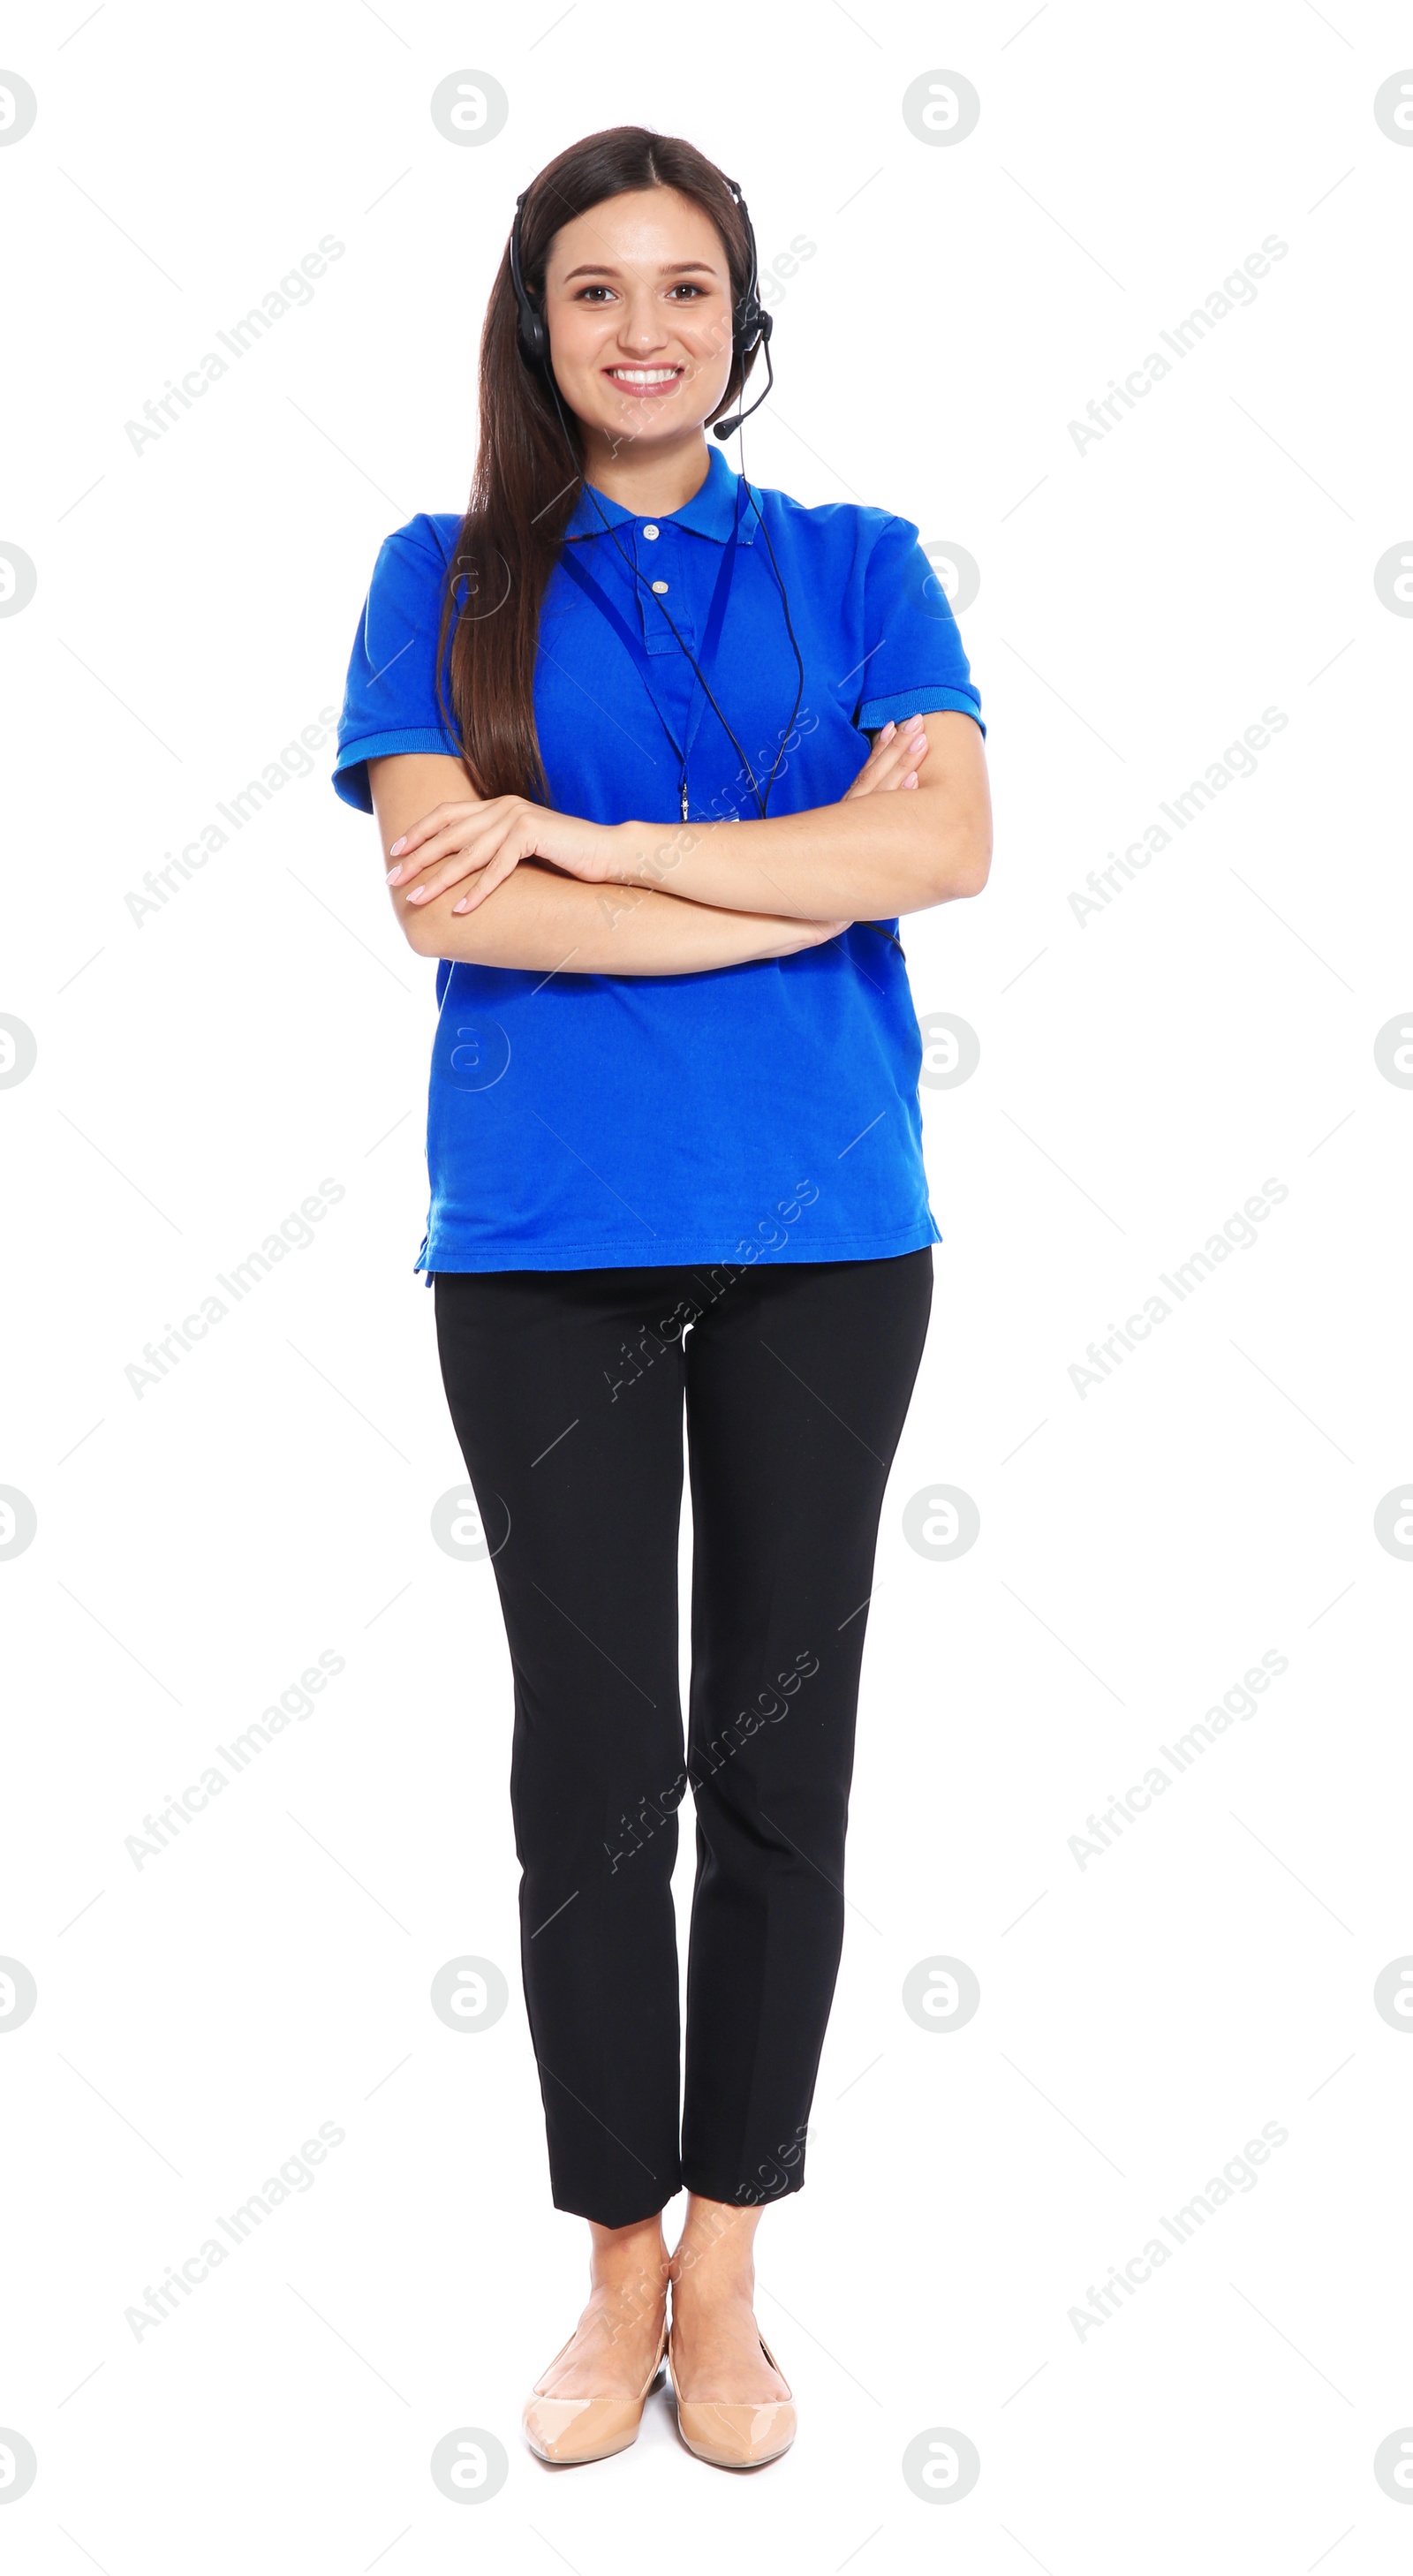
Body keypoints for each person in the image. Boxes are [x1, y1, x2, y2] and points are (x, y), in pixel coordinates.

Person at [331, 123, 990, 2471]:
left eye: (685, 288)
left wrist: (604, 837)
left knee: (778, 1769)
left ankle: (734, 2270)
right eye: (596, 290)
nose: (643, 329)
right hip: (543, 1249)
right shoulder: (439, 581)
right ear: (541, 327)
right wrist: (803, 886)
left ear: (741, 317)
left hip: (833, 1239)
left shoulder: (859, 563)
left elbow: (953, 843)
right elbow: (455, 907)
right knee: (596, 1779)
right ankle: (611, 2265)